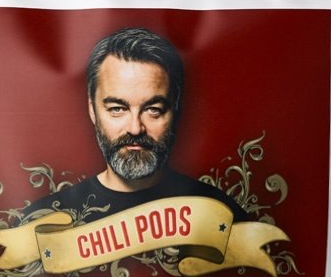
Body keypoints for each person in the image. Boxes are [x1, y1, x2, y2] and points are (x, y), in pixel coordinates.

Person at [24, 27, 250, 224]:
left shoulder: (222, 215)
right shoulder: (43, 221)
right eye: (117, 109)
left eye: (153, 110)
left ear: (175, 109)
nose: (135, 128)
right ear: (92, 109)